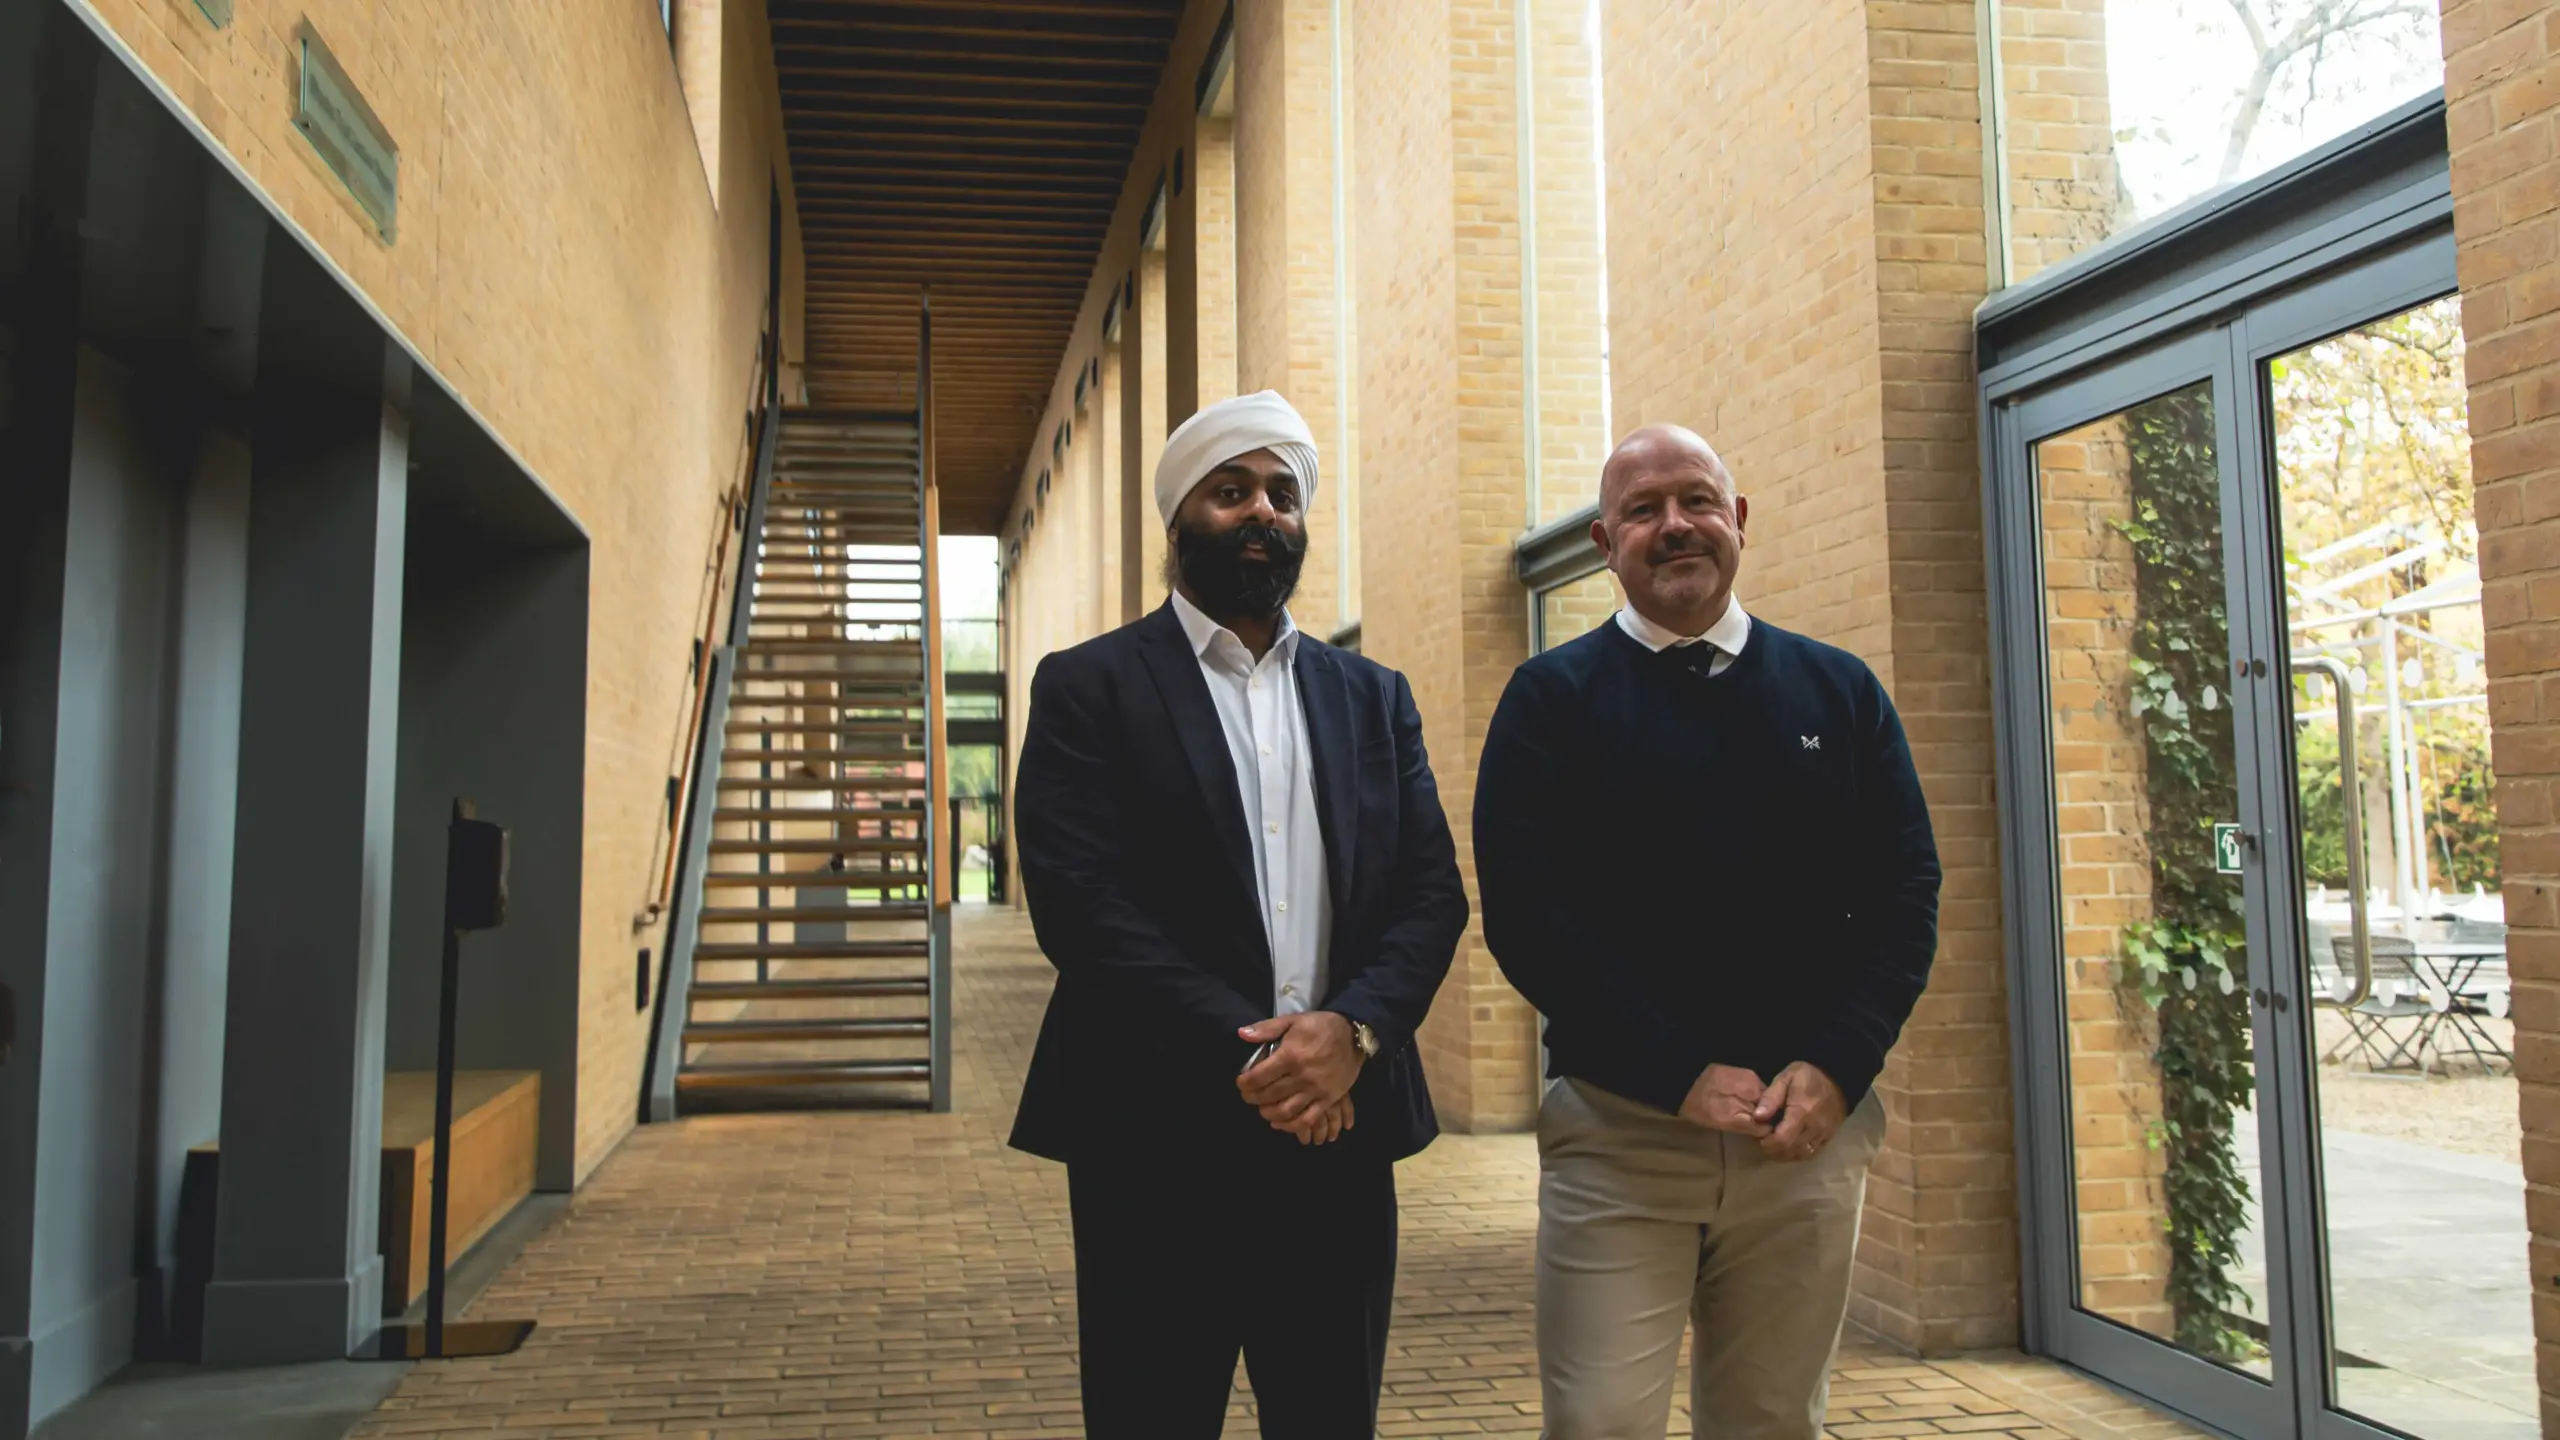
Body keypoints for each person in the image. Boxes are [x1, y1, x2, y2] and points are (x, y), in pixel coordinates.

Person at [1009, 390, 1470, 1439]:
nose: (1261, 511)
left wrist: (1348, 1036)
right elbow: (1083, 908)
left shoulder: (1372, 696)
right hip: (1154, 1139)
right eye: (1230, 492)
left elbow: (1428, 893)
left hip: (1336, 1137)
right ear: (1179, 523)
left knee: (1327, 1418)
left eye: (1281, 493)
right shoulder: (1090, 687)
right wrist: (1273, 1059)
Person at [1473, 424, 1941, 1440]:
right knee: (1599, 1421)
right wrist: (1674, 1069)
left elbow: (1906, 894)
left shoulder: (1840, 692)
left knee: (1771, 1422)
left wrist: (1836, 1064)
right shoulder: (1549, 702)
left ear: (1739, 520)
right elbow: (1526, 915)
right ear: (1604, 543)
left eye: (1695, 500)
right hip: (1622, 1135)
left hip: (1802, 1140)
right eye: (1642, 511)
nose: (1673, 525)